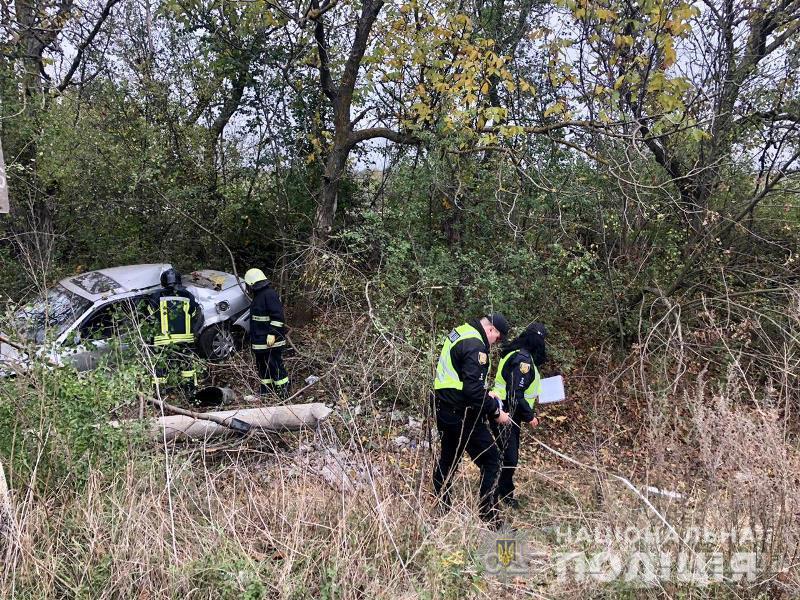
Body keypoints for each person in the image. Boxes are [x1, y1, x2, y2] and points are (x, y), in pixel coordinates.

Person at [432, 312, 511, 526]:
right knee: (492, 460)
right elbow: (472, 391)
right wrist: (496, 411)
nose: (496, 343)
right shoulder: (476, 345)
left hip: (446, 408)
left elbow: (462, 379)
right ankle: (489, 517)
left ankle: (442, 508)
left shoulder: (461, 332)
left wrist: (488, 394)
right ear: (492, 329)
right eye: (498, 338)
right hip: (462, 413)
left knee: (448, 460)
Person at [491, 322, 548, 509]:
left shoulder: (517, 354)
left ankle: (499, 491)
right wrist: (530, 416)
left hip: (505, 410)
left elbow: (526, 386)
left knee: (505, 456)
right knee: (509, 458)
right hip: (506, 412)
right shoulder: (523, 360)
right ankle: (501, 494)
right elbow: (516, 393)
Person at [151, 268, 203, 398]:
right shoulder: (187, 296)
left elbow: (148, 316)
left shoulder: (156, 296)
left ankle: (159, 396)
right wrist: (193, 331)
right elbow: (196, 314)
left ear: (163, 282)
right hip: (184, 339)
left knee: (160, 369)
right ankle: (190, 393)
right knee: (188, 368)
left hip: (162, 340)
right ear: (179, 281)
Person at [244, 268, 289, 398]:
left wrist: (272, 333)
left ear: (251, 283)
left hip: (271, 341)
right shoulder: (259, 296)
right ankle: (266, 392)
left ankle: (283, 393)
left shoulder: (269, 295)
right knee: (263, 368)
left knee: (275, 366)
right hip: (260, 342)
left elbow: (278, 317)